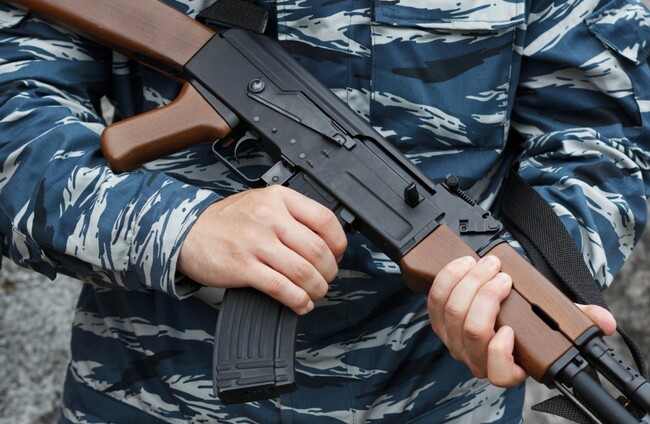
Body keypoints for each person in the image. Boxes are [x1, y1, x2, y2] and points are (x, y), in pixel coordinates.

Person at [0, 0, 646, 422]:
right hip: (156, 394)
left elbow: (602, 140)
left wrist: (525, 283)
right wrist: (178, 228)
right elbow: (15, 117)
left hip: (439, 399)